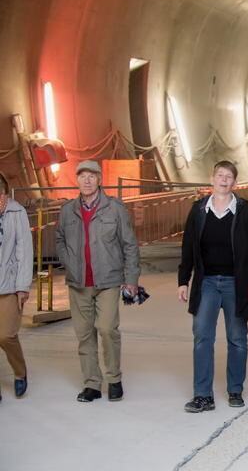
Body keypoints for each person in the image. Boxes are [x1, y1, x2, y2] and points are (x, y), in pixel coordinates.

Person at [178, 160, 248, 413]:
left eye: (229, 176)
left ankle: (235, 390)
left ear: (235, 182)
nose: (224, 180)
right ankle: (202, 395)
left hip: (236, 284)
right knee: (202, 337)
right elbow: (188, 249)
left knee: (237, 338)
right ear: (212, 179)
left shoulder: (246, 211)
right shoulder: (198, 210)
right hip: (206, 283)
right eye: (220, 175)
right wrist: (183, 281)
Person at [56, 160, 140, 403]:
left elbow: (129, 244)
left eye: (92, 176)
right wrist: (68, 261)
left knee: (106, 329)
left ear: (100, 179)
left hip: (108, 281)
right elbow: (60, 238)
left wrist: (131, 278)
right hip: (78, 282)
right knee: (84, 334)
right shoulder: (68, 210)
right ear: (77, 180)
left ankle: (114, 379)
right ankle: (91, 383)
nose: (87, 180)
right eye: (82, 176)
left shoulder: (114, 209)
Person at [0, 173, 33, 401]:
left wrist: (22, 285)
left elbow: (25, 250)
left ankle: (20, 373)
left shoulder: (16, 211)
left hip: (9, 284)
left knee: (6, 335)